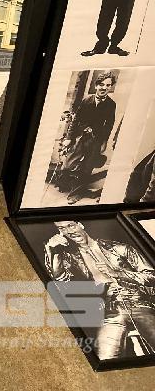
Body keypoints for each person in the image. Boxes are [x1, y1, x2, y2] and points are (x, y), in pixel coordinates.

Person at [44, 220, 155, 360]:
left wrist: (117, 273)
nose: (69, 231)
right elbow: (60, 281)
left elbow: (151, 276)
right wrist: (53, 251)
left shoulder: (119, 248)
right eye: (62, 229)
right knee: (105, 358)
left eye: (71, 226)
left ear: (80, 225)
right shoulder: (71, 259)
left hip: (138, 304)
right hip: (110, 312)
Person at [54, 71, 117, 203]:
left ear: (111, 87)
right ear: (96, 85)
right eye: (101, 84)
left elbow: (109, 125)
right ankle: (63, 183)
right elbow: (76, 119)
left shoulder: (111, 104)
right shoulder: (86, 100)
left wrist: (104, 142)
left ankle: (75, 194)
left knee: (87, 168)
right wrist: (69, 138)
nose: (104, 88)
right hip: (80, 137)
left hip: (96, 140)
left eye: (108, 85)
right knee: (68, 164)